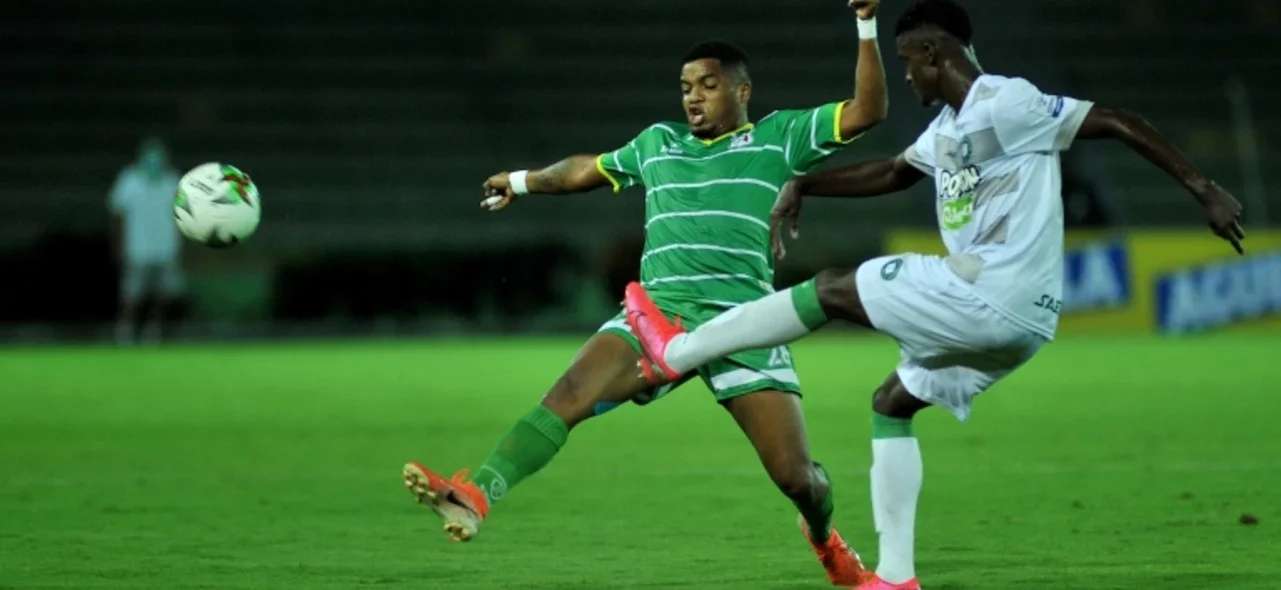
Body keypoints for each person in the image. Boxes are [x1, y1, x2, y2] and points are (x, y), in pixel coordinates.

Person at [621, 1, 1245, 589]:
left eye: (907, 62)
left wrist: (1205, 188)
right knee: (892, 402)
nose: (908, 76)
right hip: (1022, 327)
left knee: (833, 289)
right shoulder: (947, 129)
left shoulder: (1008, 101)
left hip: (992, 289)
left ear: (931, 51)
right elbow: (894, 172)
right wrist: (806, 184)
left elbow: (1115, 119)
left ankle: (680, 351)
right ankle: (896, 577)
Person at [404, 2, 888, 584]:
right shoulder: (659, 143)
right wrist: (522, 181)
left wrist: (864, 23)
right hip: (655, 314)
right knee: (569, 394)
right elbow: (586, 169)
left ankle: (825, 538)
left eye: (708, 85)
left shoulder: (781, 136)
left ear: (743, 90)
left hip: (744, 323)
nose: (693, 97)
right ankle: (475, 494)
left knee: (796, 479)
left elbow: (868, 111)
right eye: (686, 87)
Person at [109, 136, 183, 345]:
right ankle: (124, 332)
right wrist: (118, 243)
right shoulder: (129, 180)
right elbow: (118, 214)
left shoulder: (173, 181)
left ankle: (153, 332)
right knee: (131, 295)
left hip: (166, 248)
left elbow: (183, 216)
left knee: (162, 295)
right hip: (137, 248)